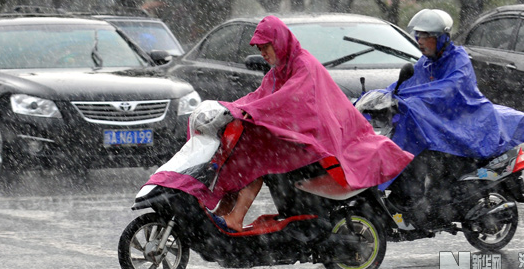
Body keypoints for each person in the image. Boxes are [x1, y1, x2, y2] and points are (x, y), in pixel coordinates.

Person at [145, 15, 414, 232]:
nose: (262, 52)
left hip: (323, 142)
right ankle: (224, 214)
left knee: (258, 157)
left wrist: (249, 111)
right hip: (303, 138)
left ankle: (236, 218)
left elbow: (289, 100)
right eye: (259, 48)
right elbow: (261, 96)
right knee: (239, 151)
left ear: (280, 42)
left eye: (266, 46)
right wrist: (231, 108)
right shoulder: (279, 70)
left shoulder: (303, 66)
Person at [364, 9, 524, 213]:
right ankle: (408, 199)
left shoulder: (458, 61)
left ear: (442, 38)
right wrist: (381, 97)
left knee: (423, 153)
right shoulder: (426, 63)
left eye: (427, 36)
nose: (420, 40)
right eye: (419, 35)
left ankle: (419, 201)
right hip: (442, 123)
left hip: (466, 124)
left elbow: (450, 89)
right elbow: (408, 86)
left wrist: (415, 101)